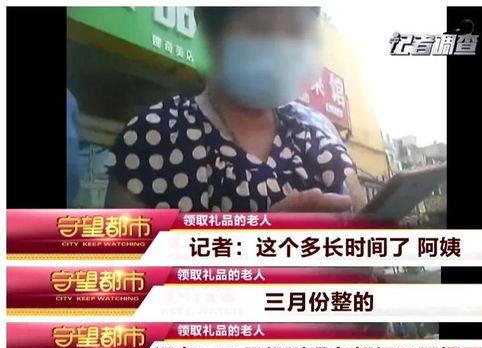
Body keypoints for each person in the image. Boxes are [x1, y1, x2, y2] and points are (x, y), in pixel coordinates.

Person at [106, 7, 360, 212]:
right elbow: (125, 257)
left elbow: (363, 231)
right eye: (259, 28)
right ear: (211, 32)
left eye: (296, 31)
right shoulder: (151, 137)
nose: (282, 49)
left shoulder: (320, 132)